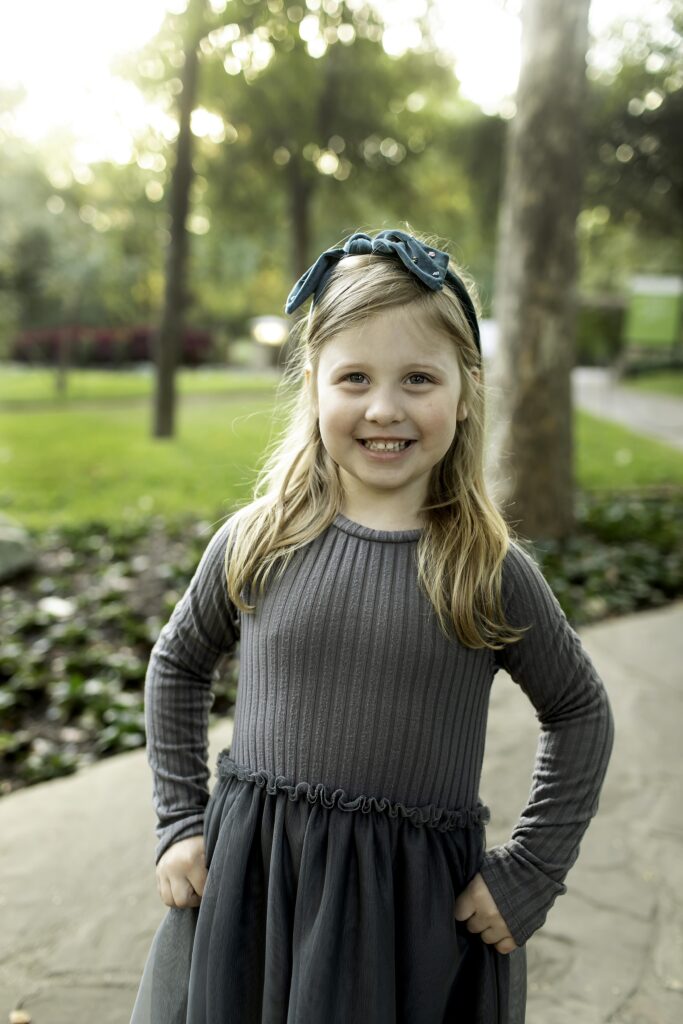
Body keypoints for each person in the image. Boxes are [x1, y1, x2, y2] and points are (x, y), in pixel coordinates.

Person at [129, 228, 615, 1024]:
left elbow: (578, 711)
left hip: (408, 918)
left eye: (417, 379)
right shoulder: (258, 540)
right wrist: (180, 819)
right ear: (313, 384)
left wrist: (530, 869)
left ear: (464, 394)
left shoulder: (483, 569)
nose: (384, 408)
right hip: (256, 890)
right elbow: (179, 665)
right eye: (353, 377)